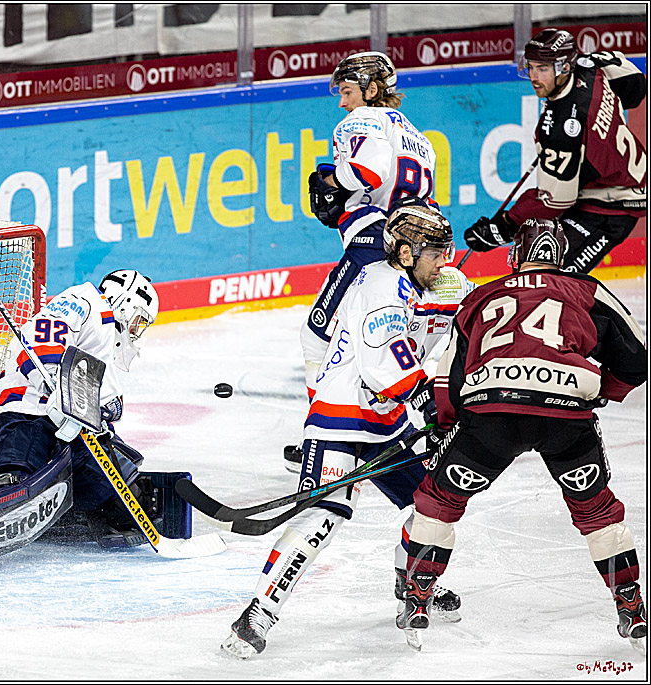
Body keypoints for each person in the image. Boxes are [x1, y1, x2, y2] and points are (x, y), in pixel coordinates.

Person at [222, 200, 469, 659]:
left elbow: (437, 335)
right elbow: (384, 367)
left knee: (431, 505)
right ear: (405, 252)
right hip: (340, 415)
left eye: (446, 251)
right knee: (324, 517)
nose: (445, 260)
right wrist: (432, 406)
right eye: (435, 252)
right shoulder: (381, 286)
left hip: (384, 421)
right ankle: (258, 612)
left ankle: (412, 587)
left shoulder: (412, 284)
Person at [400, 218, 648, 654]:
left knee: (440, 500)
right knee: (597, 511)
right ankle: (630, 607)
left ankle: (418, 599)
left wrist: (445, 425)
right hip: (566, 417)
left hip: (491, 416)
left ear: (515, 257)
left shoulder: (482, 296)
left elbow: (448, 375)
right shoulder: (587, 290)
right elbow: (636, 360)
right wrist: (596, 393)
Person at [0, 270, 171, 582]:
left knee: (110, 480)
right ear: (126, 302)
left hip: (65, 431)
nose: (136, 332)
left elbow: (103, 404)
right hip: (24, 414)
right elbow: (43, 333)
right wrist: (54, 379)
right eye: (139, 321)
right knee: (18, 483)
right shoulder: (88, 301)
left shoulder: (103, 345)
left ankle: (72, 517)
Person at [287, 51, 441, 473]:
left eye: (349, 92)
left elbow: (368, 172)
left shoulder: (362, 120)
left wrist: (332, 181)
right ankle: (395, 423)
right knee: (377, 338)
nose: (342, 103)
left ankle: (320, 435)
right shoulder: (417, 136)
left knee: (318, 334)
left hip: (373, 243)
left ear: (372, 90)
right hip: (407, 249)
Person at [463, 28, 647, 274]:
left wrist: (504, 225)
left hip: (612, 204)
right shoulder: (591, 66)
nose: (533, 77)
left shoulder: (561, 131)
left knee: (546, 273)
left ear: (563, 68)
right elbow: (635, 87)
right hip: (612, 181)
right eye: (531, 67)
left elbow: (556, 201)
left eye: (542, 68)